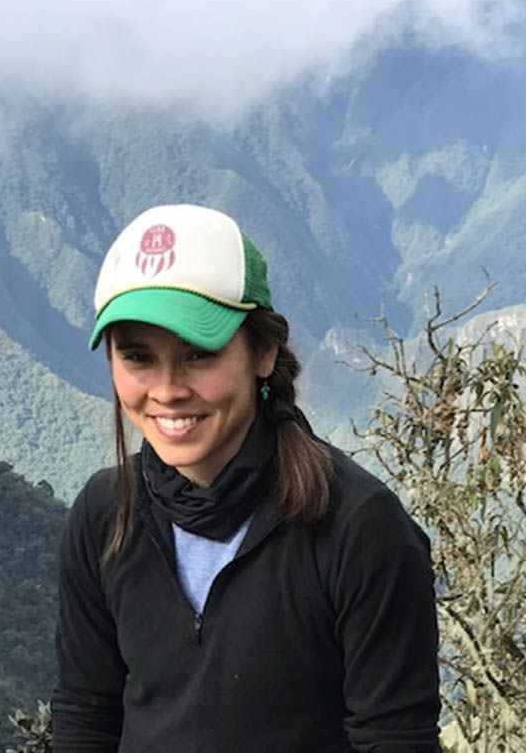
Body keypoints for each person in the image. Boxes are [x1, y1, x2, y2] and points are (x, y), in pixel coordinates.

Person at [52, 204, 441, 752]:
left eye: (199, 354)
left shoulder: (358, 529)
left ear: (263, 353)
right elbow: (86, 716)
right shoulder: (105, 513)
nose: (166, 390)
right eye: (138, 357)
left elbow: (395, 739)